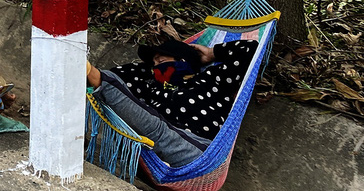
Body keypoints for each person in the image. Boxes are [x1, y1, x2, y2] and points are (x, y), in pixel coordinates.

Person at [87, 37, 258, 166]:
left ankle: (87, 70)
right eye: (154, 64)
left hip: (198, 152)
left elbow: (251, 50)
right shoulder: (152, 85)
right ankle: (86, 70)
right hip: (153, 147)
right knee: (152, 124)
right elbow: (120, 79)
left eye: (161, 61)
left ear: (183, 60)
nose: (156, 66)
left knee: (158, 128)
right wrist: (149, 69)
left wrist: (212, 54)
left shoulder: (212, 79)